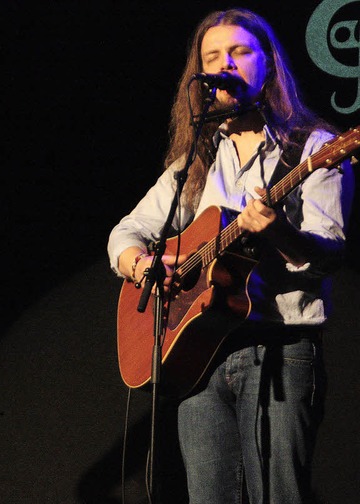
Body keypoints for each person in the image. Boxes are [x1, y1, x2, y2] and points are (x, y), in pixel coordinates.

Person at [108, 8, 354, 504]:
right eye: (213, 56)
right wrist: (143, 265)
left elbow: (328, 255)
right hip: (200, 355)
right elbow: (126, 232)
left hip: (281, 350)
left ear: (269, 64)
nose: (227, 64)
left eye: (240, 52)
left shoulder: (314, 148)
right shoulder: (196, 161)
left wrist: (280, 231)